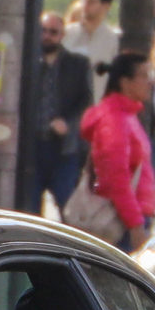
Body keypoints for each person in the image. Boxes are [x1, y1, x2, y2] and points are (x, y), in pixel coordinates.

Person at [76, 52, 155, 252]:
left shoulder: (125, 115)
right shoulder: (115, 120)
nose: (150, 82)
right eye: (144, 75)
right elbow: (116, 178)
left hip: (128, 218)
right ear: (125, 82)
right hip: (120, 223)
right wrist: (136, 226)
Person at [34, 11, 94, 212]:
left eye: (53, 32)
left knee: (68, 209)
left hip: (64, 150)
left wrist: (69, 123)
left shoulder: (78, 64)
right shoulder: (27, 62)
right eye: (43, 30)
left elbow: (86, 102)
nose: (47, 36)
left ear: (62, 35)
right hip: (32, 149)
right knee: (28, 211)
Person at [62, 0, 120, 71]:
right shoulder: (66, 32)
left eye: (91, 2)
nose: (85, 5)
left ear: (105, 6)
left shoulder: (112, 39)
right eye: (83, 0)